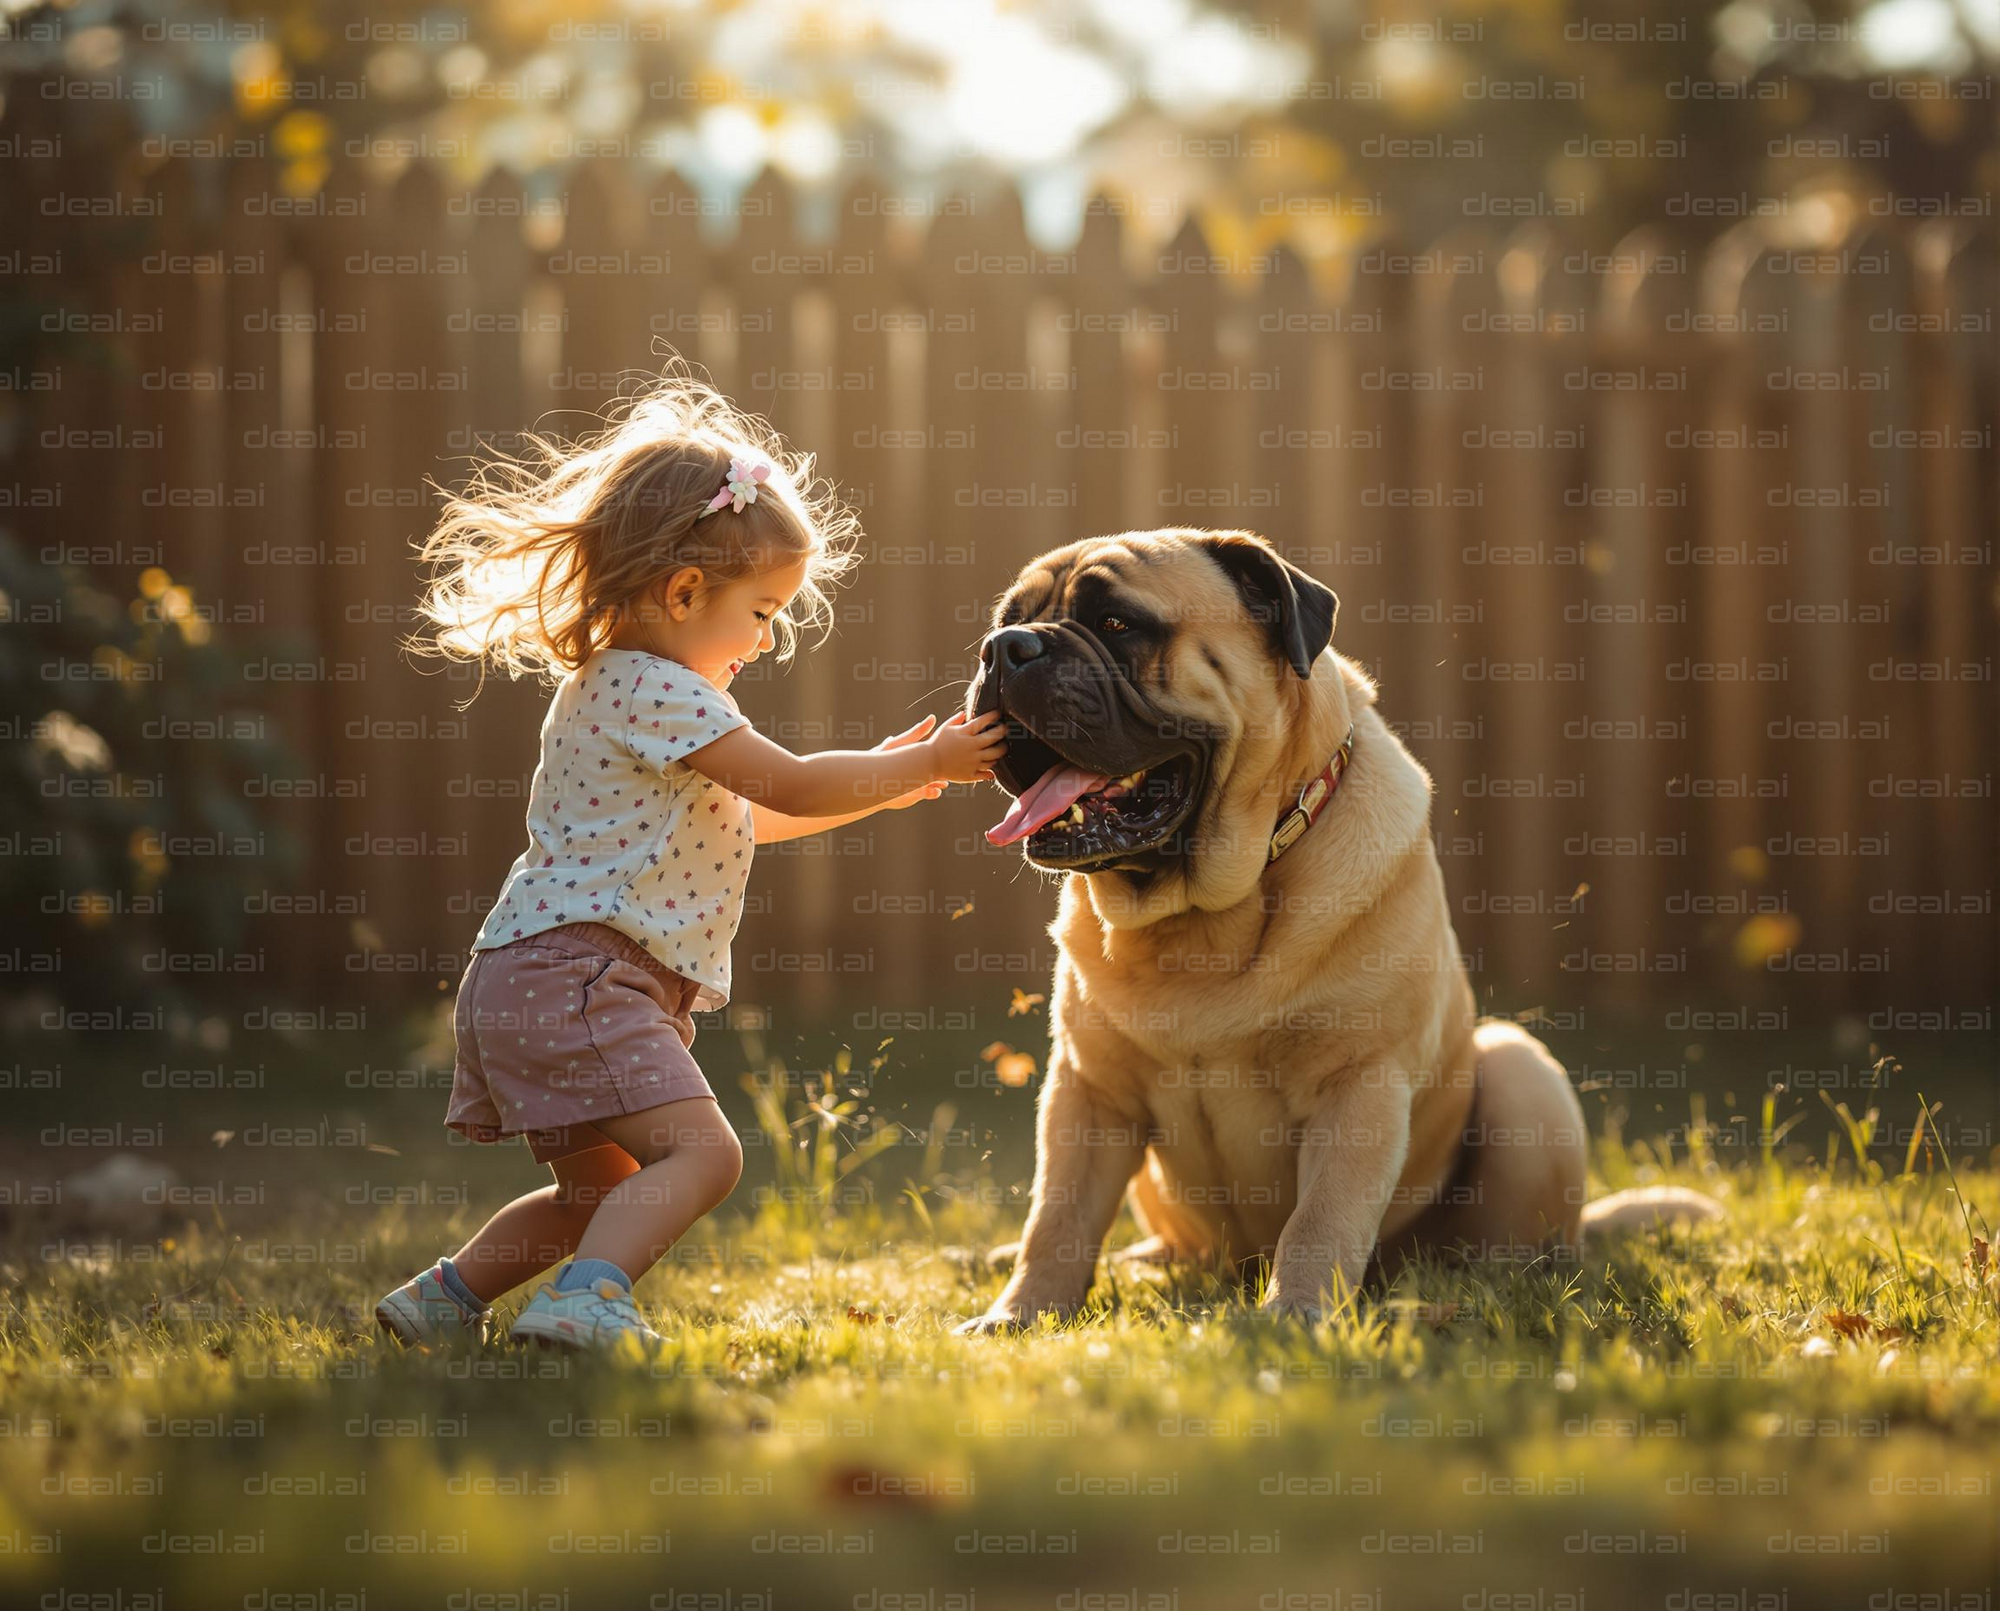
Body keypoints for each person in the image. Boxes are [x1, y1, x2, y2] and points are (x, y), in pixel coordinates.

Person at [372, 364, 1005, 1354]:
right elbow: (788, 782)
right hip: (585, 975)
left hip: (531, 976)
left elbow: (753, 817)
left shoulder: (612, 689)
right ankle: (584, 1305)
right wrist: (926, 759)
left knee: (600, 1194)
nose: (766, 638)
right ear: (680, 591)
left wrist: (889, 781)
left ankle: (442, 1300)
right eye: (759, 612)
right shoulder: (658, 690)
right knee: (704, 1157)